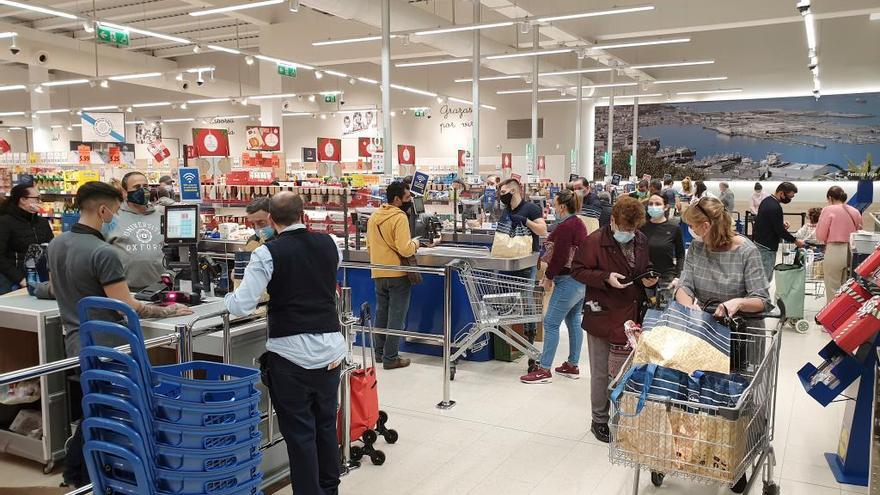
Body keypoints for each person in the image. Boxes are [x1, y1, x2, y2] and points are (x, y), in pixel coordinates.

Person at [47, 181, 192, 488]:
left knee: (95, 406)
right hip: (109, 345)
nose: (116, 215)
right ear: (103, 210)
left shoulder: (58, 243)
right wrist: (168, 311)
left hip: (75, 340)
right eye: (115, 209)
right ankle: (82, 476)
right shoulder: (104, 252)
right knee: (111, 410)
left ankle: (79, 475)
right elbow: (126, 306)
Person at [224, 192, 343, 495]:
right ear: (303, 214)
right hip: (331, 349)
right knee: (326, 426)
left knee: (301, 435)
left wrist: (228, 297)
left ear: (272, 220)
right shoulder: (331, 243)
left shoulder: (267, 253)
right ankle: (330, 489)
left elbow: (242, 305)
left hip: (291, 357)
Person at [571, 197, 657, 443]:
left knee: (625, 371)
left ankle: (624, 416)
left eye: (632, 230)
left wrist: (650, 278)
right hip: (602, 312)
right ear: (612, 221)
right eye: (624, 229)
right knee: (601, 371)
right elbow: (577, 270)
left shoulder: (640, 239)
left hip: (631, 313)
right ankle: (599, 420)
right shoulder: (595, 241)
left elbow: (644, 265)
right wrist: (606, 277)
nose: (628, 234)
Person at [675, 197, 771, 372]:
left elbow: (762, 300)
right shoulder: (697, 248)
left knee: (739, 392)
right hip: (707, 331)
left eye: (693, 226)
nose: (691, 230)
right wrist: (689, 307)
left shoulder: (747, 252)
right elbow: (685, 286)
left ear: (705, 226)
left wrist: (738, 302)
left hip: (742, 338)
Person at [520, 190, 587, 384]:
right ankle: (572, 365)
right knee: (573, 320)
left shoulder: (566, 226)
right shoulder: (578, 223)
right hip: (579, 281)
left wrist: (548, 277)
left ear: (562, 207)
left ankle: (544, 369)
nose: (553, 207)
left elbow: (560, 256)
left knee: (550, 323)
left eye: (555, 204)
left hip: (568, 280)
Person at [367, 182, 435, 370]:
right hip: (397, 274)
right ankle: (391, 358)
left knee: (381, 313)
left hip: (378, 272)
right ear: (396, 199)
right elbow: (405, 249)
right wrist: (416, 243)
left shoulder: (374, 216)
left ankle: (379, 354)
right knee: (396, 317)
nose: (409, 202)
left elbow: (369, 246)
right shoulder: (399, 217)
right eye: (406, 198)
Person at [497, 178, 547, 369]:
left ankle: (531, 346)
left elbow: (543, 230)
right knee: (507, 302)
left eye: (504, 192)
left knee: (526, 302)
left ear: (514, 191)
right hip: (509, 263)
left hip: (526, 262)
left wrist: (525, 221)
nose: (501, 195)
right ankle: (509, 344)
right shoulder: (506, 209)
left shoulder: (531, 208)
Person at [105, 171, 166, 290]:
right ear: (124, 192)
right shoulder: (112, 218)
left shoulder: (160, 216)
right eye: (137, 187)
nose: (143, 191)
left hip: (159, 289)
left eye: (145, 186)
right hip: (125, 291)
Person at [0, 183, 53, 293]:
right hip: (13, 281)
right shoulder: (5, 222)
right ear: (22, 200)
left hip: (41, 277)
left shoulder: (42, 222)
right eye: (36, 198)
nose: (39, 202)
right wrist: (20, 279)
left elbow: (51, 248)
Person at [816, 186, 863, 303]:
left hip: (835, 250)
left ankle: (831, 317)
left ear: (830, 198)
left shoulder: (828, 210)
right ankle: (844, 315)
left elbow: (821, 235)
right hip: (852, 251)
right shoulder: (855, 211)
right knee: (847, 286)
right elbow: (860, 230)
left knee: (832, 285)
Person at [753, 182, 804, 282]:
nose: (789, 199)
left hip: (760, 243)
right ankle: (761, 298)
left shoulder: (767, 201)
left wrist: (780, 223)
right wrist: (795, 240)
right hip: (767, 248)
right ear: (781, 193)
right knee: (765, 279)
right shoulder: (775, 207)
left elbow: (766, 221)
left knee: (760, 276)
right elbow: (780, 231)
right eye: (789, 196)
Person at [640, 193, 685, 286]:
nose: (653, 206)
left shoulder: (674, 227)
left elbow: (680, 254)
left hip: (667, 278)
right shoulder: (641, 227)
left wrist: (678, 277)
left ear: (666, 207)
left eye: (657, 204)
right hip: (645, 277)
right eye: (651, 204)